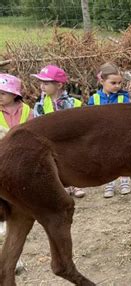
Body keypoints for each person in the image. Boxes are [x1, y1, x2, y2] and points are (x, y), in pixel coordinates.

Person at [31, 65, 85, 198]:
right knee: (56, 164)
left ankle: (76, 184)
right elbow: (38, 123)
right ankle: (63, 187)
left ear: (59, 85)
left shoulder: (73, 102)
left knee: (73, 161)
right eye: (41, 83)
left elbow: (80, 122)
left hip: (70, 140)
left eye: (46, 83)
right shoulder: (40, 105)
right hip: (50, 140)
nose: (42, 86)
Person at [0, 73, 33, 274]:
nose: (0, 96)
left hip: (20, 158)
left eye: (3, 93)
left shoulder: (26, 110)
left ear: (14, 94)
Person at [88, 62, 131, 198]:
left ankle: (125, 182)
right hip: (102, 136)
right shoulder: (94, 98)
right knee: (106, 160)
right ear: (102, 81)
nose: (117, 86)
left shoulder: (123, 97)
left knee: (123, 158)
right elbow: (90, 118)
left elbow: (129, 116)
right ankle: (109, 184)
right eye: (113, 83)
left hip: (120, 134)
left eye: (119, 83)